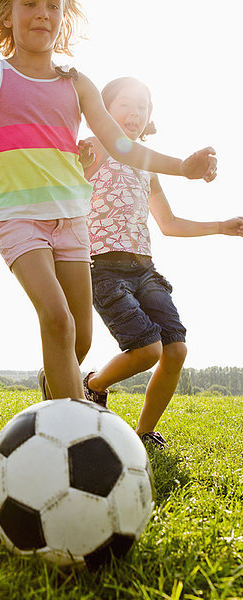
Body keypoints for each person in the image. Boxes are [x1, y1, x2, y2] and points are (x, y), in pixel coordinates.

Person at [0, 1, 217, 402]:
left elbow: (120, 146)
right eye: (30, 4)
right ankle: (73, 438)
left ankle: (55, 391)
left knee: (78, 341)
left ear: (62, 18)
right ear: (7, 16)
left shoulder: (78, 83)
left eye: (52, 5)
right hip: (19, 219)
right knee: (57, 321)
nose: (42, 13)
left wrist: (183, 168)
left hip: (72, 221)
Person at [79, 76, 243, 446]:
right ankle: (92, 384)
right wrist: (99, 141)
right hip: (103, 268)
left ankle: (145, 431)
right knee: (146, 349)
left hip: (144, 269)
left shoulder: (146, 166)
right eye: (125, 103)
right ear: (103, 108)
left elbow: (168, 224)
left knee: (176, 349)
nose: (134, 112)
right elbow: (76, 182)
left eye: (142, 106)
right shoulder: (92, 147)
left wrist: (222, 226)